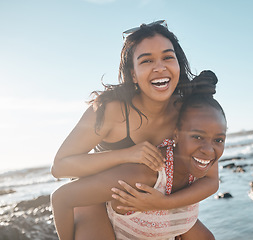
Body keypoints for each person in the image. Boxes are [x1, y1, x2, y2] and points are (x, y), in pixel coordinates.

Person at [51, 21, 219, 239]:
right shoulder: (110, 110)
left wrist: (164, 204)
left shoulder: (187, 111)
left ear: (178, 64)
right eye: (147, 60)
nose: (160, 67)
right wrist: (126, 154)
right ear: (133, 74)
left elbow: (211, 179)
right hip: (97, 195)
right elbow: (60, 167)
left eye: (168, 57)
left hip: (148, 196)